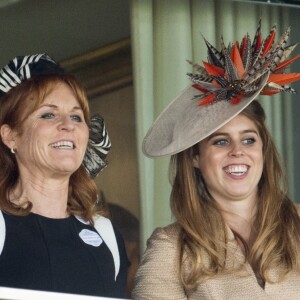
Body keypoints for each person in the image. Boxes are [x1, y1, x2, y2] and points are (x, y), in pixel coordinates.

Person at [132, 21, 300, 299]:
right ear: (195, 156)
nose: (238, 151)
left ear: (263, 150)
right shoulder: (171, 247)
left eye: (248, 139)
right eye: (221, 141)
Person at [0, 54, 129, 298]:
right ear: (10, 136)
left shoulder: (106, 233)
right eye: (48, 114)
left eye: (76, 116)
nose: (68, 125)